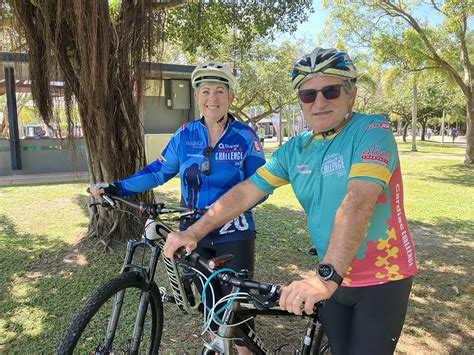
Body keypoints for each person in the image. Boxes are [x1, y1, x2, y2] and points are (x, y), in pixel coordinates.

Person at [164, 48, 417, 355]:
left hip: (381, 278)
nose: (319, 102)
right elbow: (246, 192)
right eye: (308, 95)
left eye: (330, 91)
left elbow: (358, 202)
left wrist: (326, 278)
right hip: (333, 273)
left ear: (351, 94)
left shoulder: (371, 131)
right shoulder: (296, 148)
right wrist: (195, 231)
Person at [90, 61, 266, 354]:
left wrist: (223, 211)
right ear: (197, 97)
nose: (213, 98)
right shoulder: (184, 135)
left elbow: (259, 189)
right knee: (210, 307)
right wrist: (117, 186)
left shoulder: (246, 137)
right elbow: (159, 171)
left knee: (239, 313)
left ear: (231, 97)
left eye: (220, 91)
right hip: (191, 234)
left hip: (234, 233)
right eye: (206, 91)